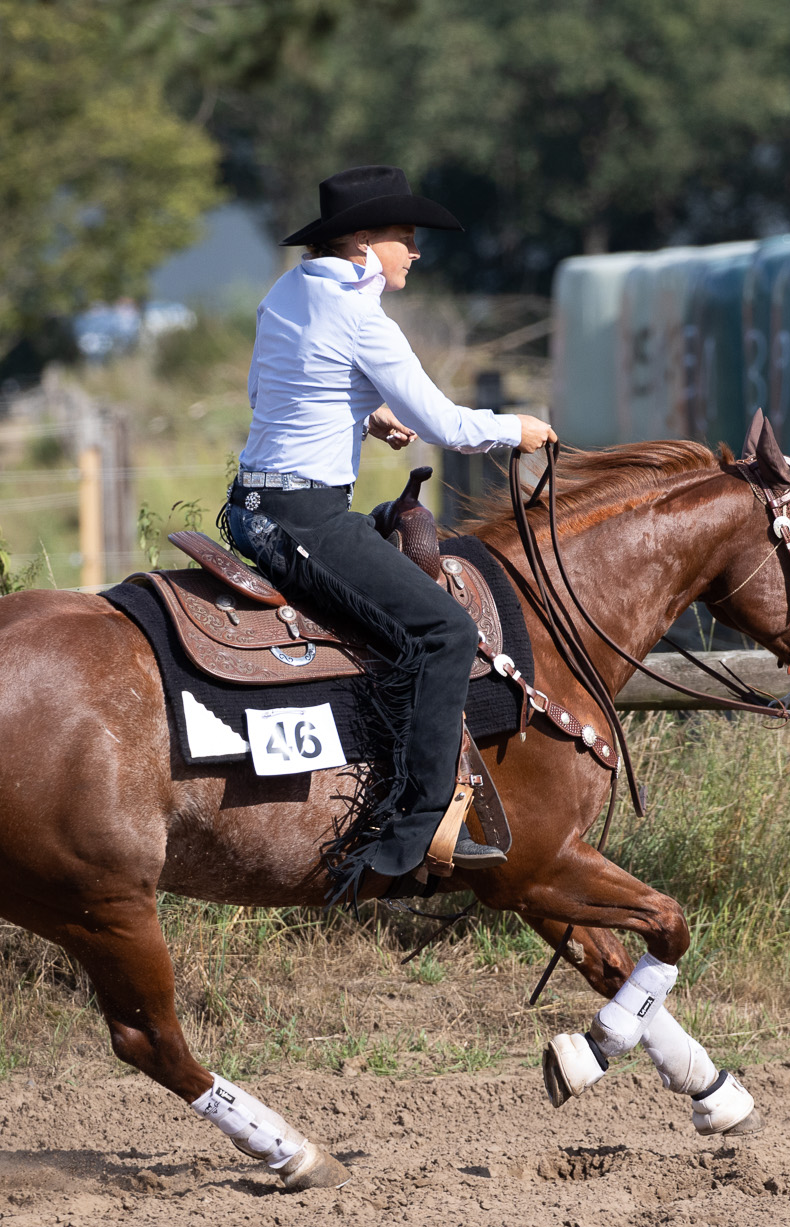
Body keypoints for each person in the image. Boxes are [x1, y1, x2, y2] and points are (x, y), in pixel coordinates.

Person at [220, 165, 557, 894]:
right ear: (365, 240)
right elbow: (444, 423)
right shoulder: (360, 316)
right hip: (302, 514)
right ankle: (417, 830)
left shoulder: (287, 292)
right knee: (446, 633)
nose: (414, 251)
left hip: (251, 503)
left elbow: (272, 390)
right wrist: (517, 428)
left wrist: (363, 412)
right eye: (405, 237)